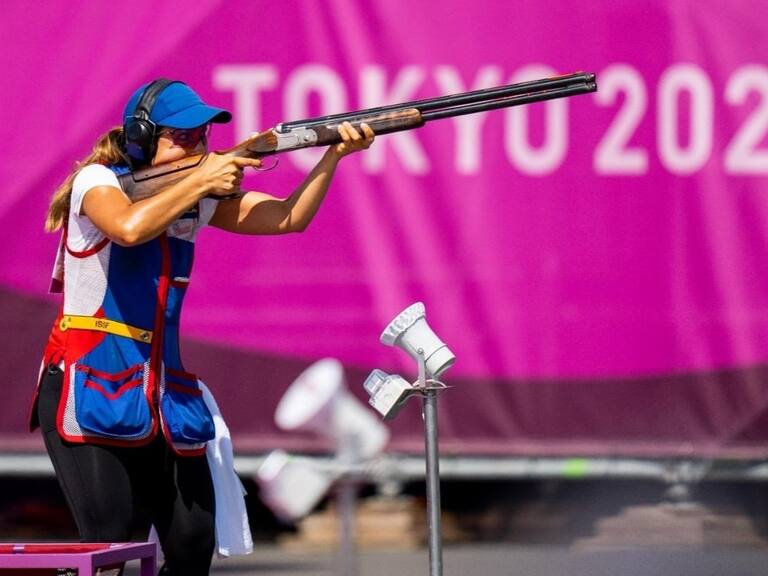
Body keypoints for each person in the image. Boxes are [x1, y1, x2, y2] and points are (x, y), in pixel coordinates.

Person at [30, 78, 374, 576]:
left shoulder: (195, 196)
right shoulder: (98, 181)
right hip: (89, 385)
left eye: (202, 136)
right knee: (108, 543)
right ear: (141, 137)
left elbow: (287, 217)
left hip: (162, 395)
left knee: (192, 540)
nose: (196, 144)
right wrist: (203, 178)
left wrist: (332, 158)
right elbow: (129, 228)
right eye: (181, 135)